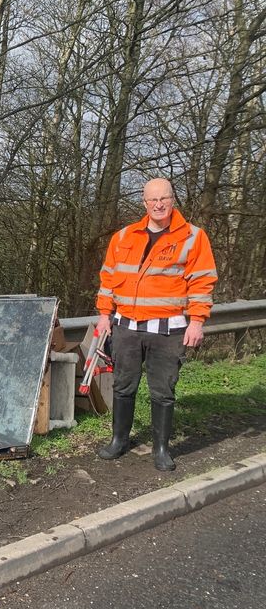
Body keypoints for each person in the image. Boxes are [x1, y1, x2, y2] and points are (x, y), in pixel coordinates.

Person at [94, 177, 217, 471]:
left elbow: (201, 282)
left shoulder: (192, 237)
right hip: (126, 327)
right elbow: (108, 278)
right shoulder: (123, 237)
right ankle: (119, 440)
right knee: (123, 386)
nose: (158, 205)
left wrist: (197, 321)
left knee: (163, 391)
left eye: (164, 198)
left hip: (168, 329)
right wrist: (103, 314)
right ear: (144, 203)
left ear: (173, 199)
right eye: (152, 200)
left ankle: (161, 448)